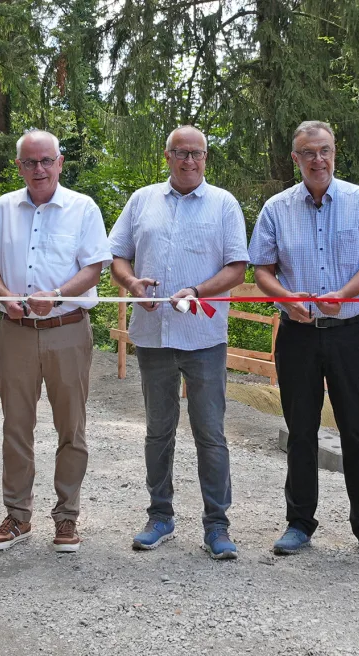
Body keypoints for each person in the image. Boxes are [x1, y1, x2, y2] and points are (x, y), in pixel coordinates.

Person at [248, 120, 359, 558]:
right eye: (309, 153)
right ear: (296, 159)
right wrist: (286, 298)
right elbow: (261, 270)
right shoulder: (276, 208)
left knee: (356, 429)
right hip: (297, 334)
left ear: (335, 152)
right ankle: (299, 523)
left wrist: (345, 294)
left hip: (349, 332)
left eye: (325, 150)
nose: (318, 159)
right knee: (301, 431)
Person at [108, 125, 249, 560]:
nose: (190, 161)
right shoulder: (141, 200)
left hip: (204, 337)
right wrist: (132, 283)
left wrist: (199, 292)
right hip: (153, 337)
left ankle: (217, 526)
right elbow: (117, 256)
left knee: (210, 433)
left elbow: (237, 268)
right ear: (166, 156)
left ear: (206, 158)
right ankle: (160, 516)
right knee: (158, 431)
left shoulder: (224, 204)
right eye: (181, 153)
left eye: (197, 153)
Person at [0, 129, 111, 553]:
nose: (39, 169)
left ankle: (67, 517)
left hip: (68, 329)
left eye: (46, 161)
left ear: (60, 162)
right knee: (16, 426)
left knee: (71, 426)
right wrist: (5, 297)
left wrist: (54, 295)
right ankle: (18, 516)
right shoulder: (4, 208)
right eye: (30, 162)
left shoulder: (82, 208)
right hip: (14, 333)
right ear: (19, 166)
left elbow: (94, 268)